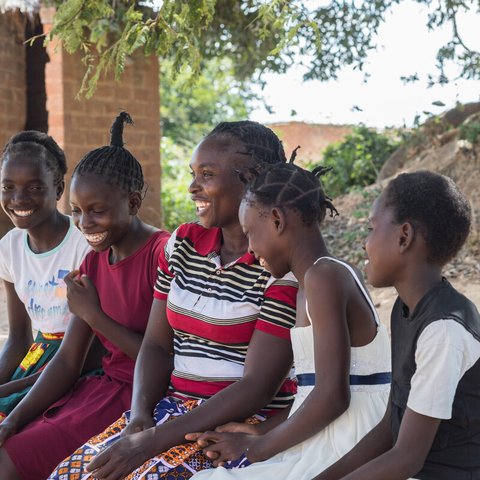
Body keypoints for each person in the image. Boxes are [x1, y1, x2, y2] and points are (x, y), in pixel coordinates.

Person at [49, 120, 298, 480]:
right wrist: (139, 418)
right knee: (69, 475)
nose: (193, 187)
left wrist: (152, 443)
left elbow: (257, 388)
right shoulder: (183, 243)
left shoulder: (276, 264)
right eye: (192, 173)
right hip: (170, 410)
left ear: (251, 178)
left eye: (207, 175)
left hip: (235, 426)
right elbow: (155, 345)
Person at [188, 160, 391, 480]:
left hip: (350, 439)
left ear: (278, 220)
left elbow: (333, 397)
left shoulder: (324, 277)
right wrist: (259, 432)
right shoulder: (312, 282)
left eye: (251, 234)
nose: (251, 250)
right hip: (335, 431)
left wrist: (257, 448)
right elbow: (314, 392)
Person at [0, 112, 170, 479]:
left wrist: (95, 316)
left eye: (97, 211)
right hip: (97, 390)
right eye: (78, 212)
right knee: (10, 449)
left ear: (134, 203)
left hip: (142, 396)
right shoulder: (93, 263)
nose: (84, 224)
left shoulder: (162, 254)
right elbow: (65, 362)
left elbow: (164, 359)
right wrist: (12, 421)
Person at [314, 170, 480, 480]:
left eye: (370, 228)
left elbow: (407, 459)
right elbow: (392, 424)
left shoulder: (444, 329)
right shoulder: (405, 309)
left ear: (404, 237)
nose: (365, 244)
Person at [0, 131, 91, 421]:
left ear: (59, 188)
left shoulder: (84, 245)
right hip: (36, 358)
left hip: (80, 363)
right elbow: (17, 338)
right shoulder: (9, 247)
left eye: (35, 187)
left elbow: (92, 345)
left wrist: (18, 385)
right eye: (8, 187)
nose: (18, 199)